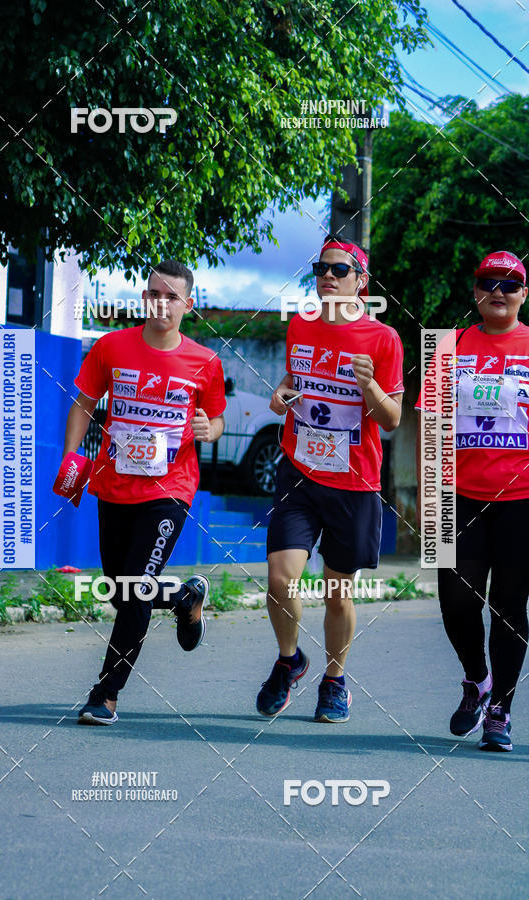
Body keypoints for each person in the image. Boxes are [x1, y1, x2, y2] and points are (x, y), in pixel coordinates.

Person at [60, 260, 226, 725]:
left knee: (133, 590)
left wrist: (208, 430)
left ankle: (106, 693)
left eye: (173, 296)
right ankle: (181, 599)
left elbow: (217, 419)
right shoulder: (112, 347)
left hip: (170, 489)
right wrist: (73, 458)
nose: (162, 302)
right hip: (114, 486)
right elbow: (83, 404)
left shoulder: (205, 362)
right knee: (121, 590)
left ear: (188, 305)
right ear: (143, 298)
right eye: (155, 292)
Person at [257, 236, 404, 722]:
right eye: (321, 267)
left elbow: (393, 419)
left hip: (354, 482)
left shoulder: (383, 340)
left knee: (338, 593)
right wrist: (281, 397)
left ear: (361, 283)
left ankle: (335, 681)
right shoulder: (300, 325)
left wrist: (370, 386)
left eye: (339, 270)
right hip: (298, 470)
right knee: (280, 581)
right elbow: (291, 385)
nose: (327, 276)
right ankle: (289, 660)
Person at [416, 251, 529, 752]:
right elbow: (430, 425)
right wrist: (426, 494)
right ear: (474, 291)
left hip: (522, 499)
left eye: (511, 283)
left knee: (509, 606)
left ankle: (500, 709)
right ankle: (476, 680)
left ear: (524, 293)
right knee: (456, 599)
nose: (499, 291)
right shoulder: (447, 347)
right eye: (489, 282)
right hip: (454, 495)